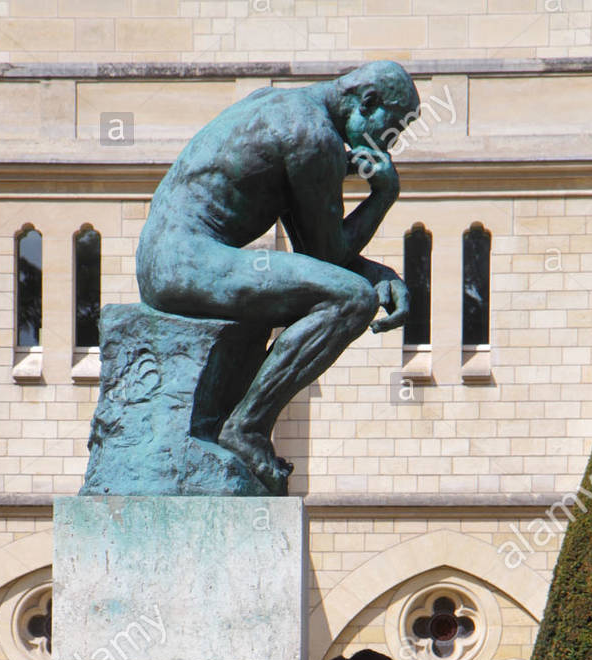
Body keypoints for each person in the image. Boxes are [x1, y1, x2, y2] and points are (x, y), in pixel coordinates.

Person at [137, 62, 420, 491]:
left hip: (167, 258)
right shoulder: (313, 136)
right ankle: (246, 429)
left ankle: (240, 422)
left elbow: (317, 254)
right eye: (391, 129)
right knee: (352, 301)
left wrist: (378, 271)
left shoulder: (284, 107)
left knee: (347, 290)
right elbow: (328, 257)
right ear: (368, 102)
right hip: (186, 261)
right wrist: (384, 196)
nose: (389, 145)